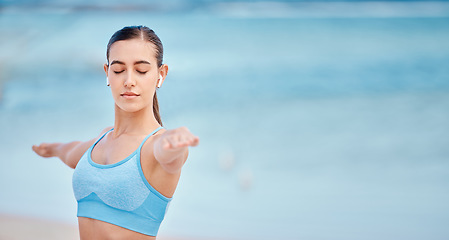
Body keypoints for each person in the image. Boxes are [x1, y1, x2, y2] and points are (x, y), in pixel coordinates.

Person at [32, 25, 199, 239]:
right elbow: (71, 152)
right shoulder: (101, 141)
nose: (129, 80)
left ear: (161, 74)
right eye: (119, 70)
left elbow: (171, 157)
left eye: (141, 70)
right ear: (107, 73)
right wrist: (52, 149)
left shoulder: (155, 146)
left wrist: (175, 144)